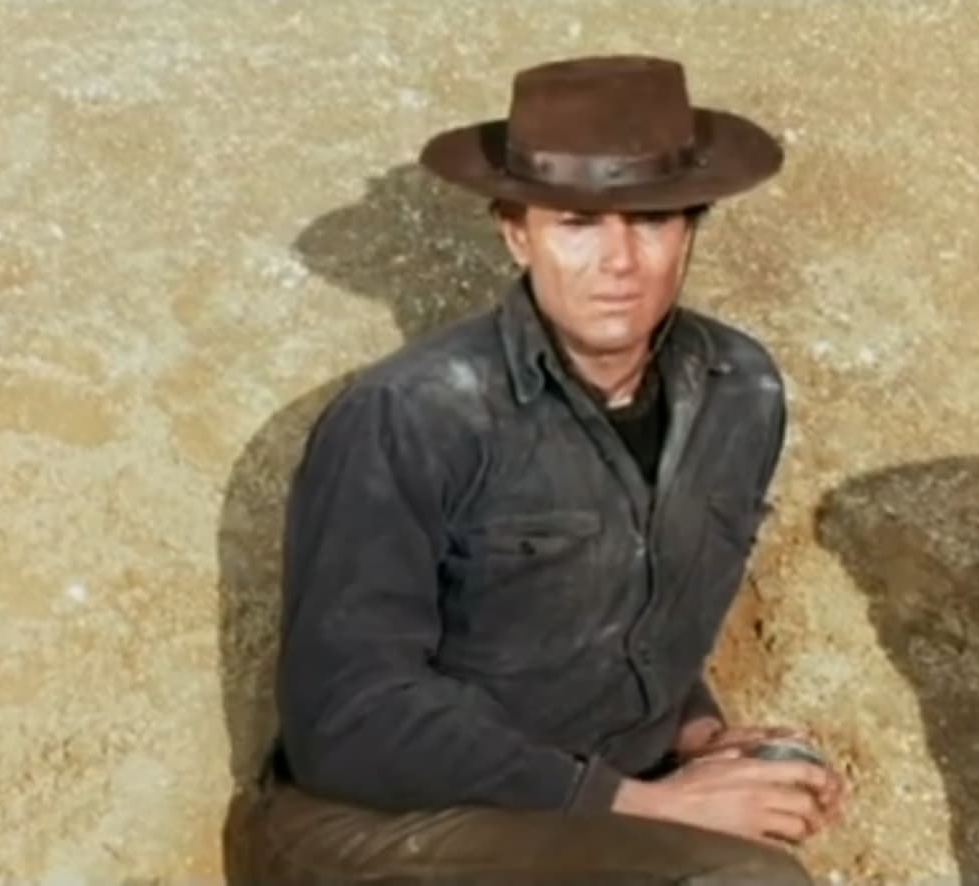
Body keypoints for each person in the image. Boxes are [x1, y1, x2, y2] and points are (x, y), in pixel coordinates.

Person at [226, 54, 844, 884]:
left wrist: (703, 738)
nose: (619, 261)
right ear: (517, 233)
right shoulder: (410, 415)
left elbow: (629, 624)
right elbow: (348, 721)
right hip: (377, 825)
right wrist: (651, 804)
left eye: (651, 222)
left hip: (591, 805)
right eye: (578, 224)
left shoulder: (741, 392)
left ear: (690, 228)